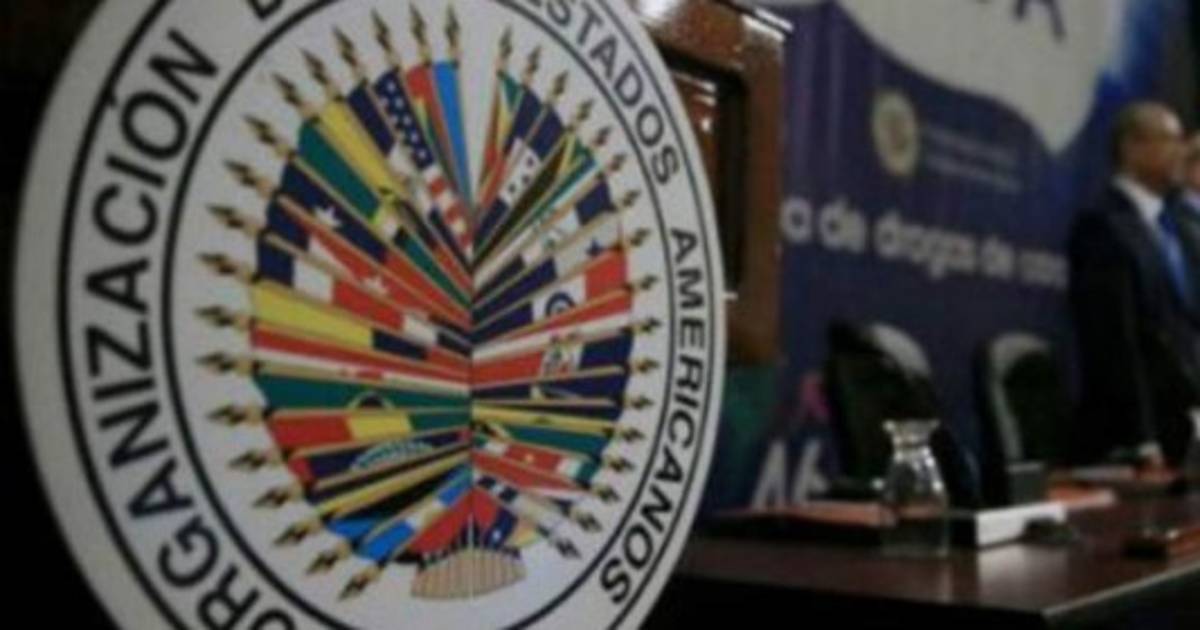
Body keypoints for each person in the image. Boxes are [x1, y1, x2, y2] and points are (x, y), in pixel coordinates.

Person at [1069, 102, 1200, 467]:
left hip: (1182, 429)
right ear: (1132, 147)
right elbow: (1115, 343)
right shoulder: (1103, 226)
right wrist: (1142, 439)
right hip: (1134, 442)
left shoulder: (1174, 228)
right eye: (1171, 139)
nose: (1182, 151)